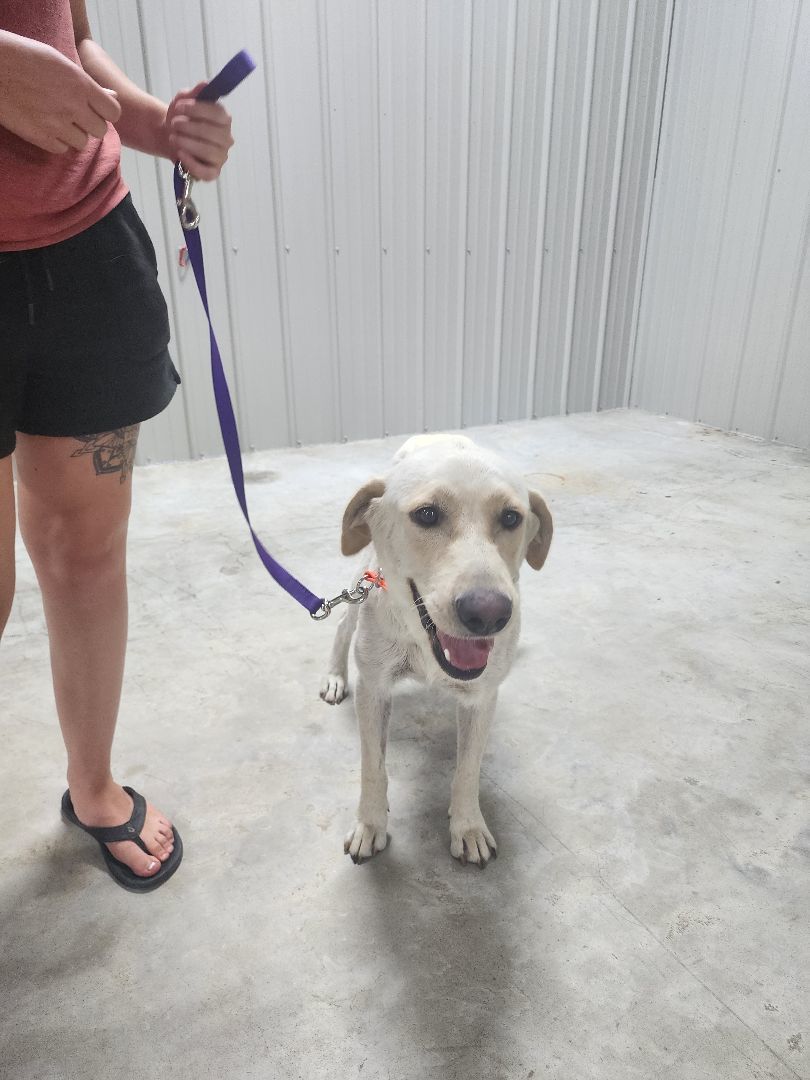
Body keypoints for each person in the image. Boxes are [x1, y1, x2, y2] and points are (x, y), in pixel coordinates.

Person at [0, 0, 234, 890]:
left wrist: (152, 122)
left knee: (86, 553)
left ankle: (92, 786)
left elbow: (70, 36)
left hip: (87, 249)